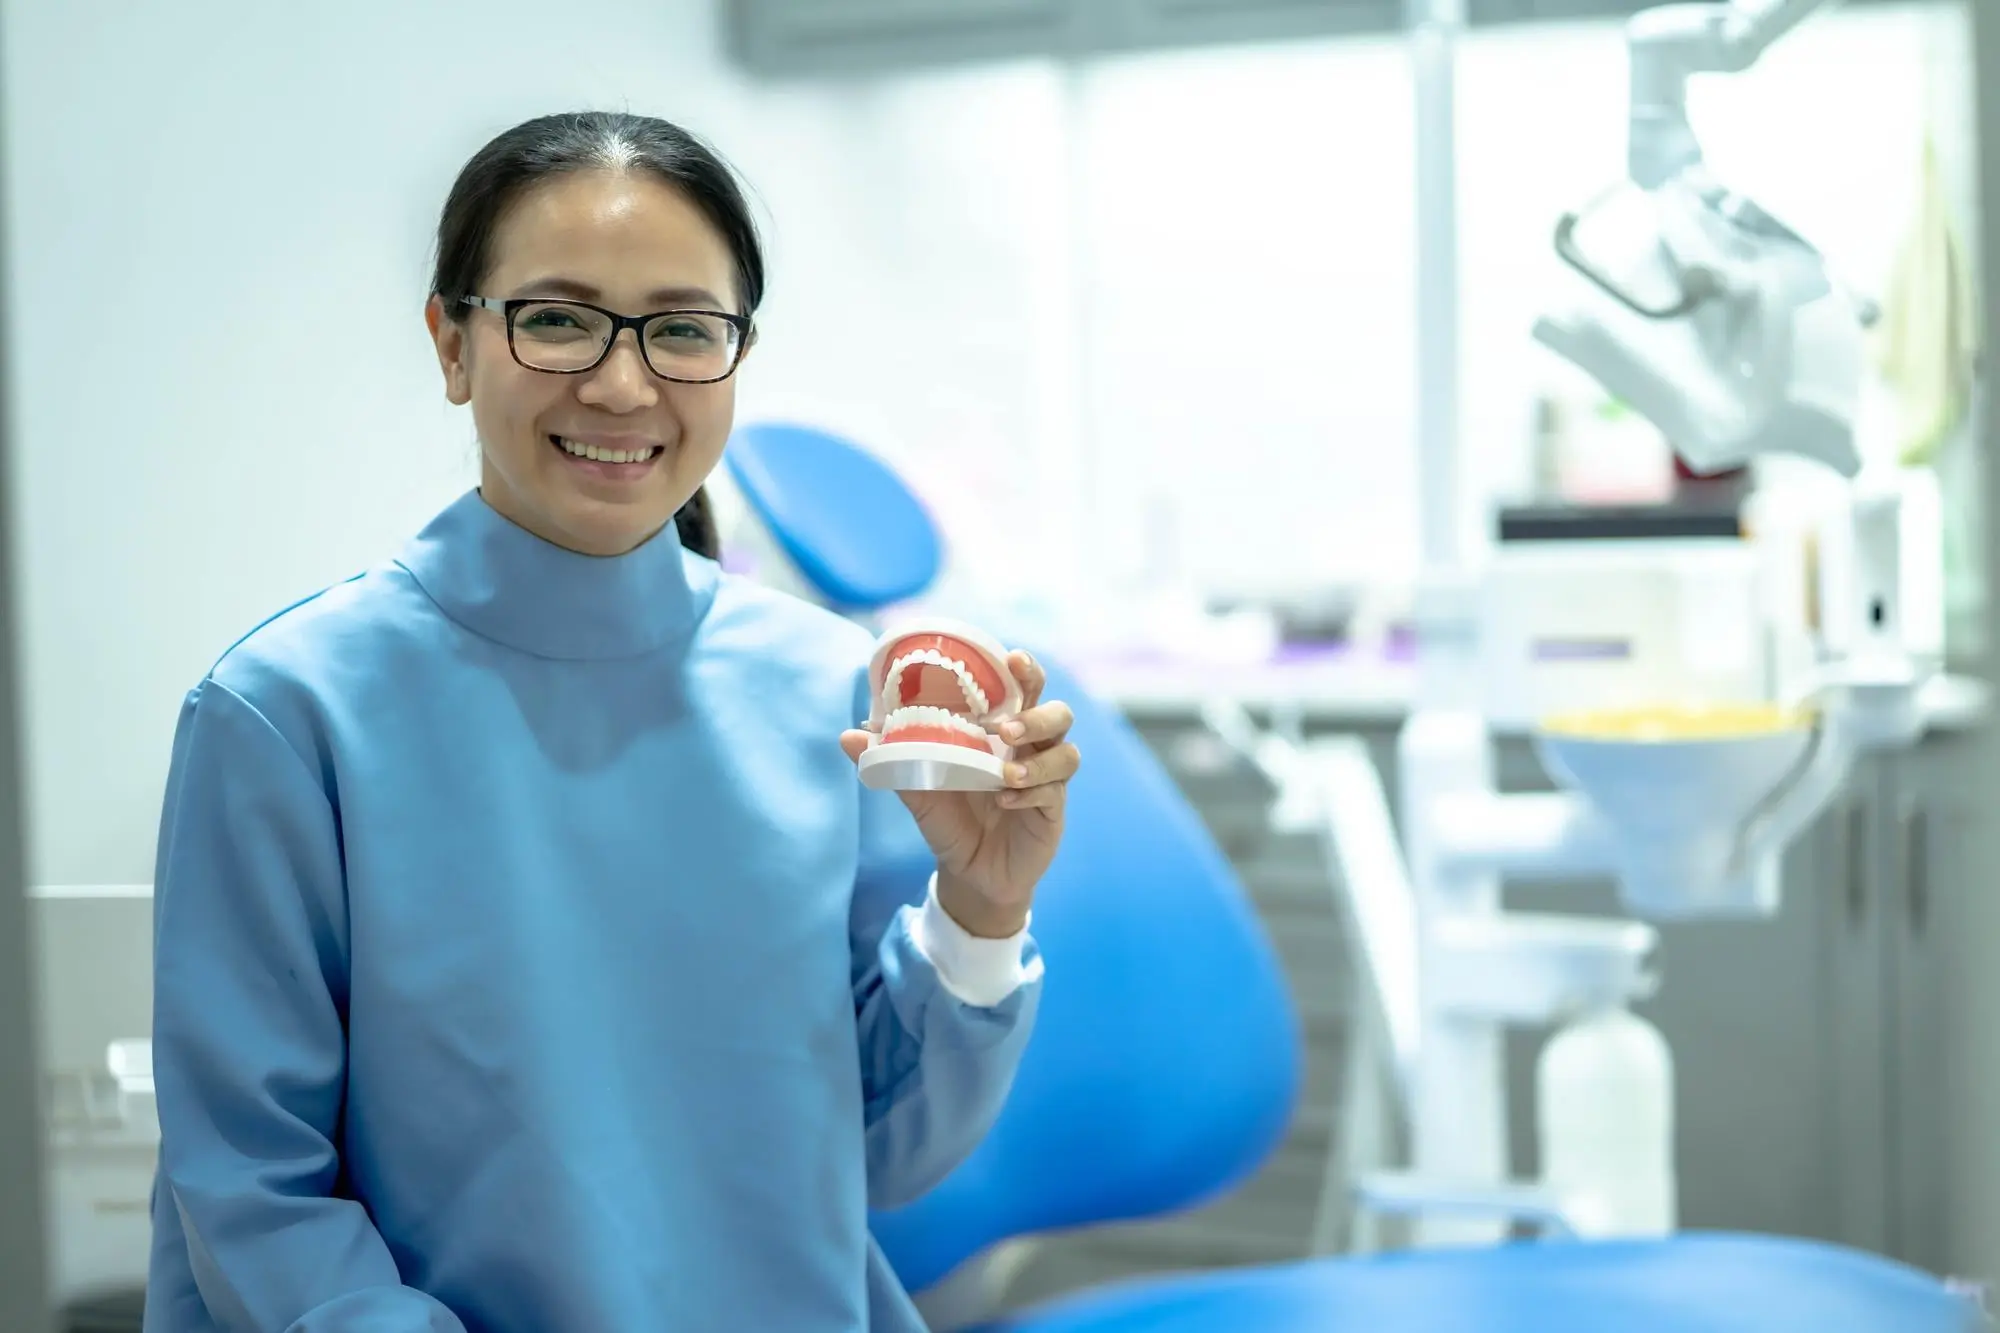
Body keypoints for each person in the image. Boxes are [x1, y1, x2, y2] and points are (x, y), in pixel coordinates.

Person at [142, 110, 1078, 1333]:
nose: (624, 381)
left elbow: (877, 1159)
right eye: (557, 318)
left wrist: (979, 914)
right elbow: (254, 1195)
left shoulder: (828, 688)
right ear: (451, 342)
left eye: (684, 329)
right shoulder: (289, 713)